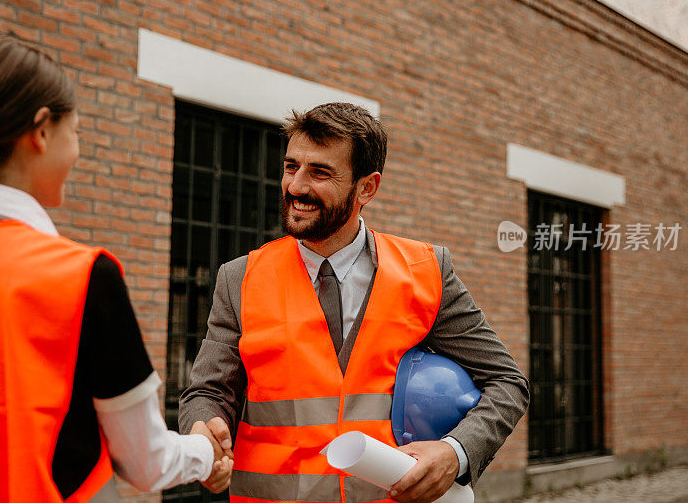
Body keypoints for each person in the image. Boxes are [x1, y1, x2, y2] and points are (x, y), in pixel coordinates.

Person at [0, 39, 232, 502]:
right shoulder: (82, 276)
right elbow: (144, 462)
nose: (77, 150)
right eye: (77, 132)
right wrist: (205, 453)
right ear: (41, 131)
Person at [179, 102, 530, 503]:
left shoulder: (427, 271)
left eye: (320, 173)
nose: (295, 186)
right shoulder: (239, 278)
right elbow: (206, 392)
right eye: (291, 167)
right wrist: (202, 431)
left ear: (368, 187)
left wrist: (456, 452)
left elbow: (507, 383)